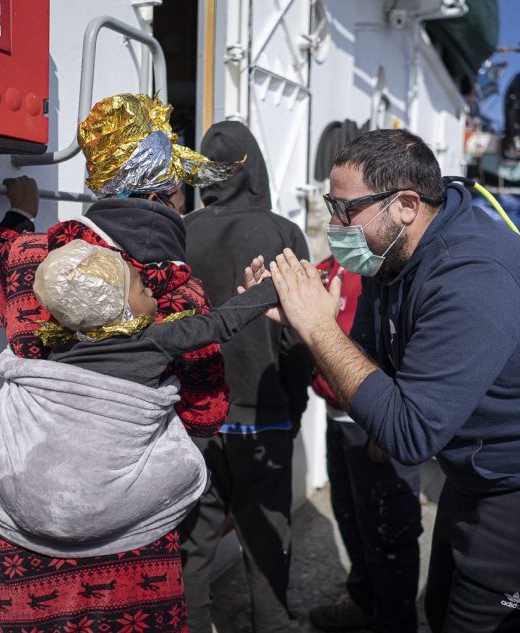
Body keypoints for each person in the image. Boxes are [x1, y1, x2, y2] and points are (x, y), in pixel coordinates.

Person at [245, 129, 520, 632]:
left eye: (346, 210)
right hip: (478, 468)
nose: (335, 224)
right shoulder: (389, 258)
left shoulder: (475, 276)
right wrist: (301, 319)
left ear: (406, 205)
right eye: (330, 205)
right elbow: (373, 366)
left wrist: (318, 327)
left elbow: (410, 434)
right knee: (440, 610)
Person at [0, 93, 242, 633]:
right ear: (171, 191)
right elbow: (206, 414)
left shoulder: (32, 260)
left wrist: (19, 217)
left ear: (97, 183)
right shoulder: (180, 296)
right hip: (136, 547)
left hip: (29, 543)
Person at [0, 239, 281, 563]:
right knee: (190, 474)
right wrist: (268, 290)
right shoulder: (155, 340)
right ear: (122, 308)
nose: (150, 293)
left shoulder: (62, 343)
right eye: (142, 290)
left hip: (55, 477)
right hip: (111, 473)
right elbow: (220, 323)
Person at [180, 121, 313, 633]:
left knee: (193, 546)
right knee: (268, 542)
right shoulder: (283, 233)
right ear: (254, 168)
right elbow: (298, 335)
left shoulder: (184, 231)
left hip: (198, 420)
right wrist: (294, 408)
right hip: (265, 418)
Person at [307, 256, 423, 633]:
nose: (338, 220)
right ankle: (364, 603)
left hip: (376, 424)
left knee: (389, 530)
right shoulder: (331, 265)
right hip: (336, 416)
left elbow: (405, 350)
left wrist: (385, 430)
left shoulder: (391, 269)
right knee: (352, 517)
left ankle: (395, 620)